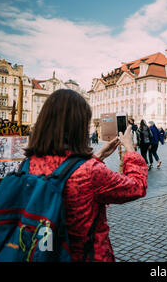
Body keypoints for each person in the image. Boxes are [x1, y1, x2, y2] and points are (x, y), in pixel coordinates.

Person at [23, 89, 148, 262]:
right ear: (79, 126)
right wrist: (130, 149)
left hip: (42, 252)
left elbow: (63, 173)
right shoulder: (90, 171)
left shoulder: (28, 163)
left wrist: (98, 156)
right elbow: (136, 186)